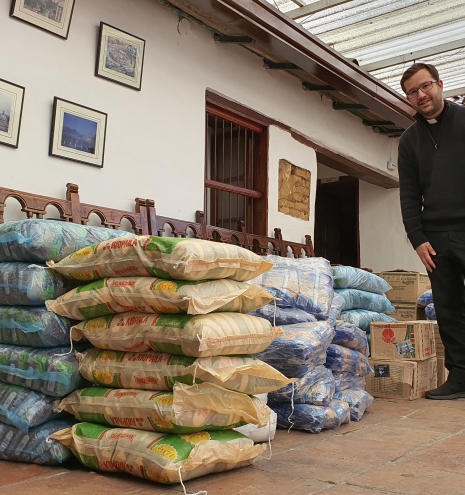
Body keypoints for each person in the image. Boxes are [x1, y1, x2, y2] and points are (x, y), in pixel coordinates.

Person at [398, 62, 465, 400]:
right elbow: (409, 194)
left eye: (425, 86)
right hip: (435, 238)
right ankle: (460, 378)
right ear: (407, 97)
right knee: (449, 308)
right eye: (413, 91)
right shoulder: (408, 141)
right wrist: (417, 237)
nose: (421, 94)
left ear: (439, 84)